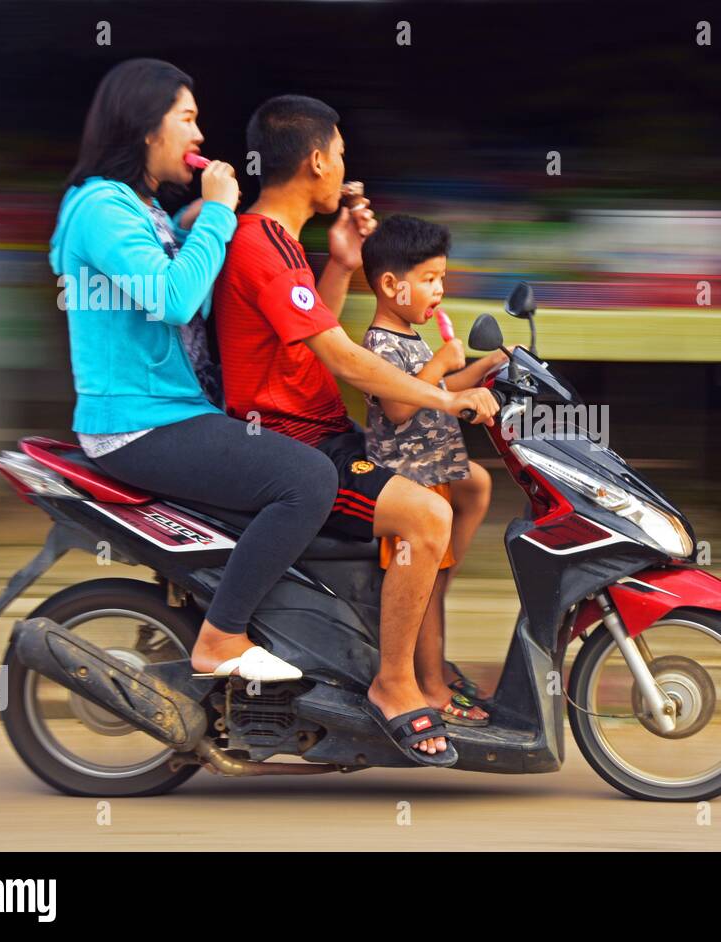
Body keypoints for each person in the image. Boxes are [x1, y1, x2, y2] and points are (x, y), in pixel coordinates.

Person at [213, 95, 499, 765]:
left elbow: (300, 345)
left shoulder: (281, 243)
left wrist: (341, 262)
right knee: (426, 517)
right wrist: (443, 397)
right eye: (339, 155)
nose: (344, 168)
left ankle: (417, 661)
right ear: (316, 160)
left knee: (457, 489)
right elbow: (344, 358)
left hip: (319, 430)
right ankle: (394, 683)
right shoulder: (259, 245)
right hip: (298, 444)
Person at [49, 60, 338, 683]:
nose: (200, 133)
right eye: (187, 118)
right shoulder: (100, 206)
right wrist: (214, 213)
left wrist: (193, 226)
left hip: (179, 413)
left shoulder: (139, 209)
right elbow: (173, 299)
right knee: (308, 481)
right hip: (140, 423)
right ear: (145, 128)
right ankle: (220, 639)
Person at [360, 215, 509, 727]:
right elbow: (401, 407)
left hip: (437, 478)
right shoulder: (381, 343)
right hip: (410, 488)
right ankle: (432, 689)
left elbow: (442, 396)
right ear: (389, 285)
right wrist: (442, 364)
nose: (439, 292)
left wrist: (487, 366)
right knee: (425, 591)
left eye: (442, 279)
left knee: (478, 490)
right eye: (429, 280)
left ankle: (435, 672)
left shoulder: (412, 336)